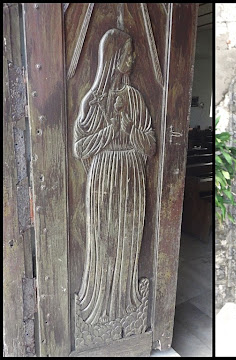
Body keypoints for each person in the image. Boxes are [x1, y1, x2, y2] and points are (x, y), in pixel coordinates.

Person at [73, 28, 155, 331]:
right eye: (128, 53)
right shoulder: (93, 101)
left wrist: (130, 128)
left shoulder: (135, 97)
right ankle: (99, 308)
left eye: (133, 52)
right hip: (105, 176)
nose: (133, 58)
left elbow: (150, 144)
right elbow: (80, 147)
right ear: (113, 58)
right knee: (105, 239)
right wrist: (111, 131)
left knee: (128, 238)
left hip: (132, 175)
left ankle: (125, 303)